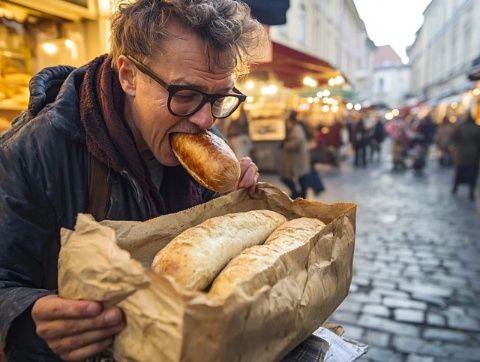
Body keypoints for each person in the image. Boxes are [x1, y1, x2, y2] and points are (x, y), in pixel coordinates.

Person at [0, 1, 263, 360]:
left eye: (219, 98)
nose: (205, 120)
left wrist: (231, 204)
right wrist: (28, 318)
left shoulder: (205, 140)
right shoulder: (30, 154)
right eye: (185, 95)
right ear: (128, 75)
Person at [280, 110, 311, 199]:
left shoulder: (296, 129)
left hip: (298, 160)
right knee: (301, 180)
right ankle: (299, 195)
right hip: (297, 160)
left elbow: (297, 141)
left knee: (300, 180)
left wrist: (285, 145)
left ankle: (299, 196)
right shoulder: (295, 128)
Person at [451, 112, 480, 200]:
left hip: (461, 154)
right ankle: (471, 191)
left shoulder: (460, 127)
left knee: (460, 172)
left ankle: (455, 188)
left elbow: (453, 137)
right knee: (472, 173)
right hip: (473, 154)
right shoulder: (476, 128)